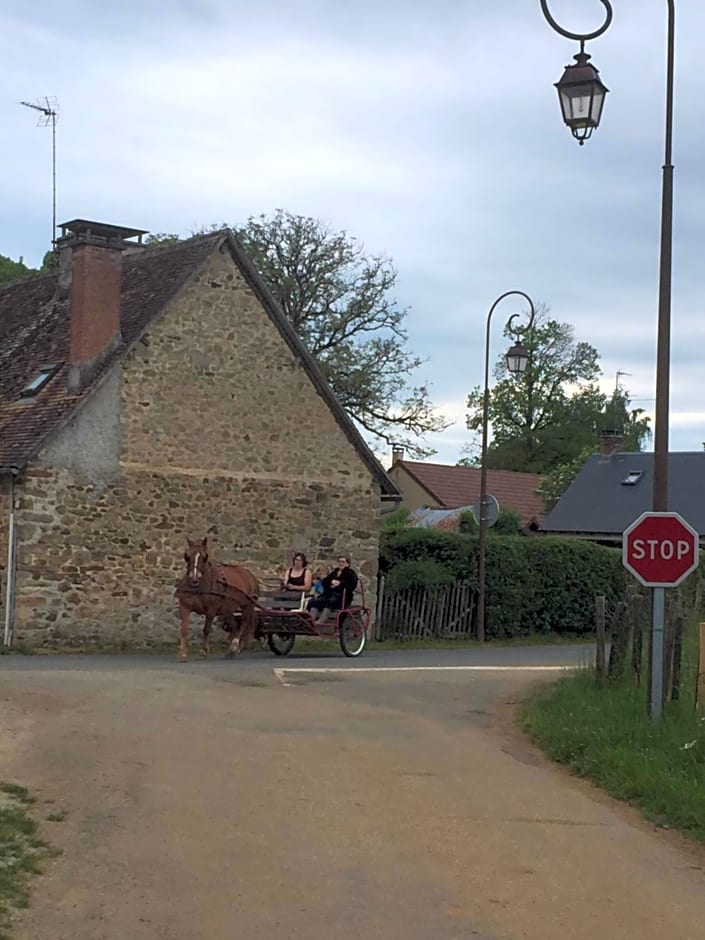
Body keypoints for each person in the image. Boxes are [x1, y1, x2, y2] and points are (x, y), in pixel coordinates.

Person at [308, 555, 358, 624]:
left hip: (342, 596)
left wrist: (340, 583)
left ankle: (321, 621)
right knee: (316, 601)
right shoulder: (334, 572)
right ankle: (311, 620)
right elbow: (325, 581)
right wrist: (331, 582)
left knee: (331, 601)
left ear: (347, 563)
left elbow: (351, 585)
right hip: (329, 594)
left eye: (343, 562)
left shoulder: (350, 573)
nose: (341, 563)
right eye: (339, 561)